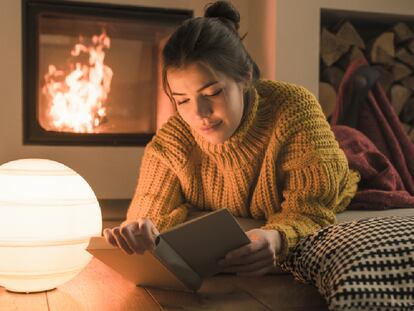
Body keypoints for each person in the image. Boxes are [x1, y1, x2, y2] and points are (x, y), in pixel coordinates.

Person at [104, 1, 360, 277]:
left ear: (245, 77)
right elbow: (147, 214)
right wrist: (137, 231)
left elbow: (311, 209)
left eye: (212, 93)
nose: (199, 114)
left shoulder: (294, 109)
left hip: (337, 162)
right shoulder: (171, 142)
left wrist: (276, 237)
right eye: (182, 100)